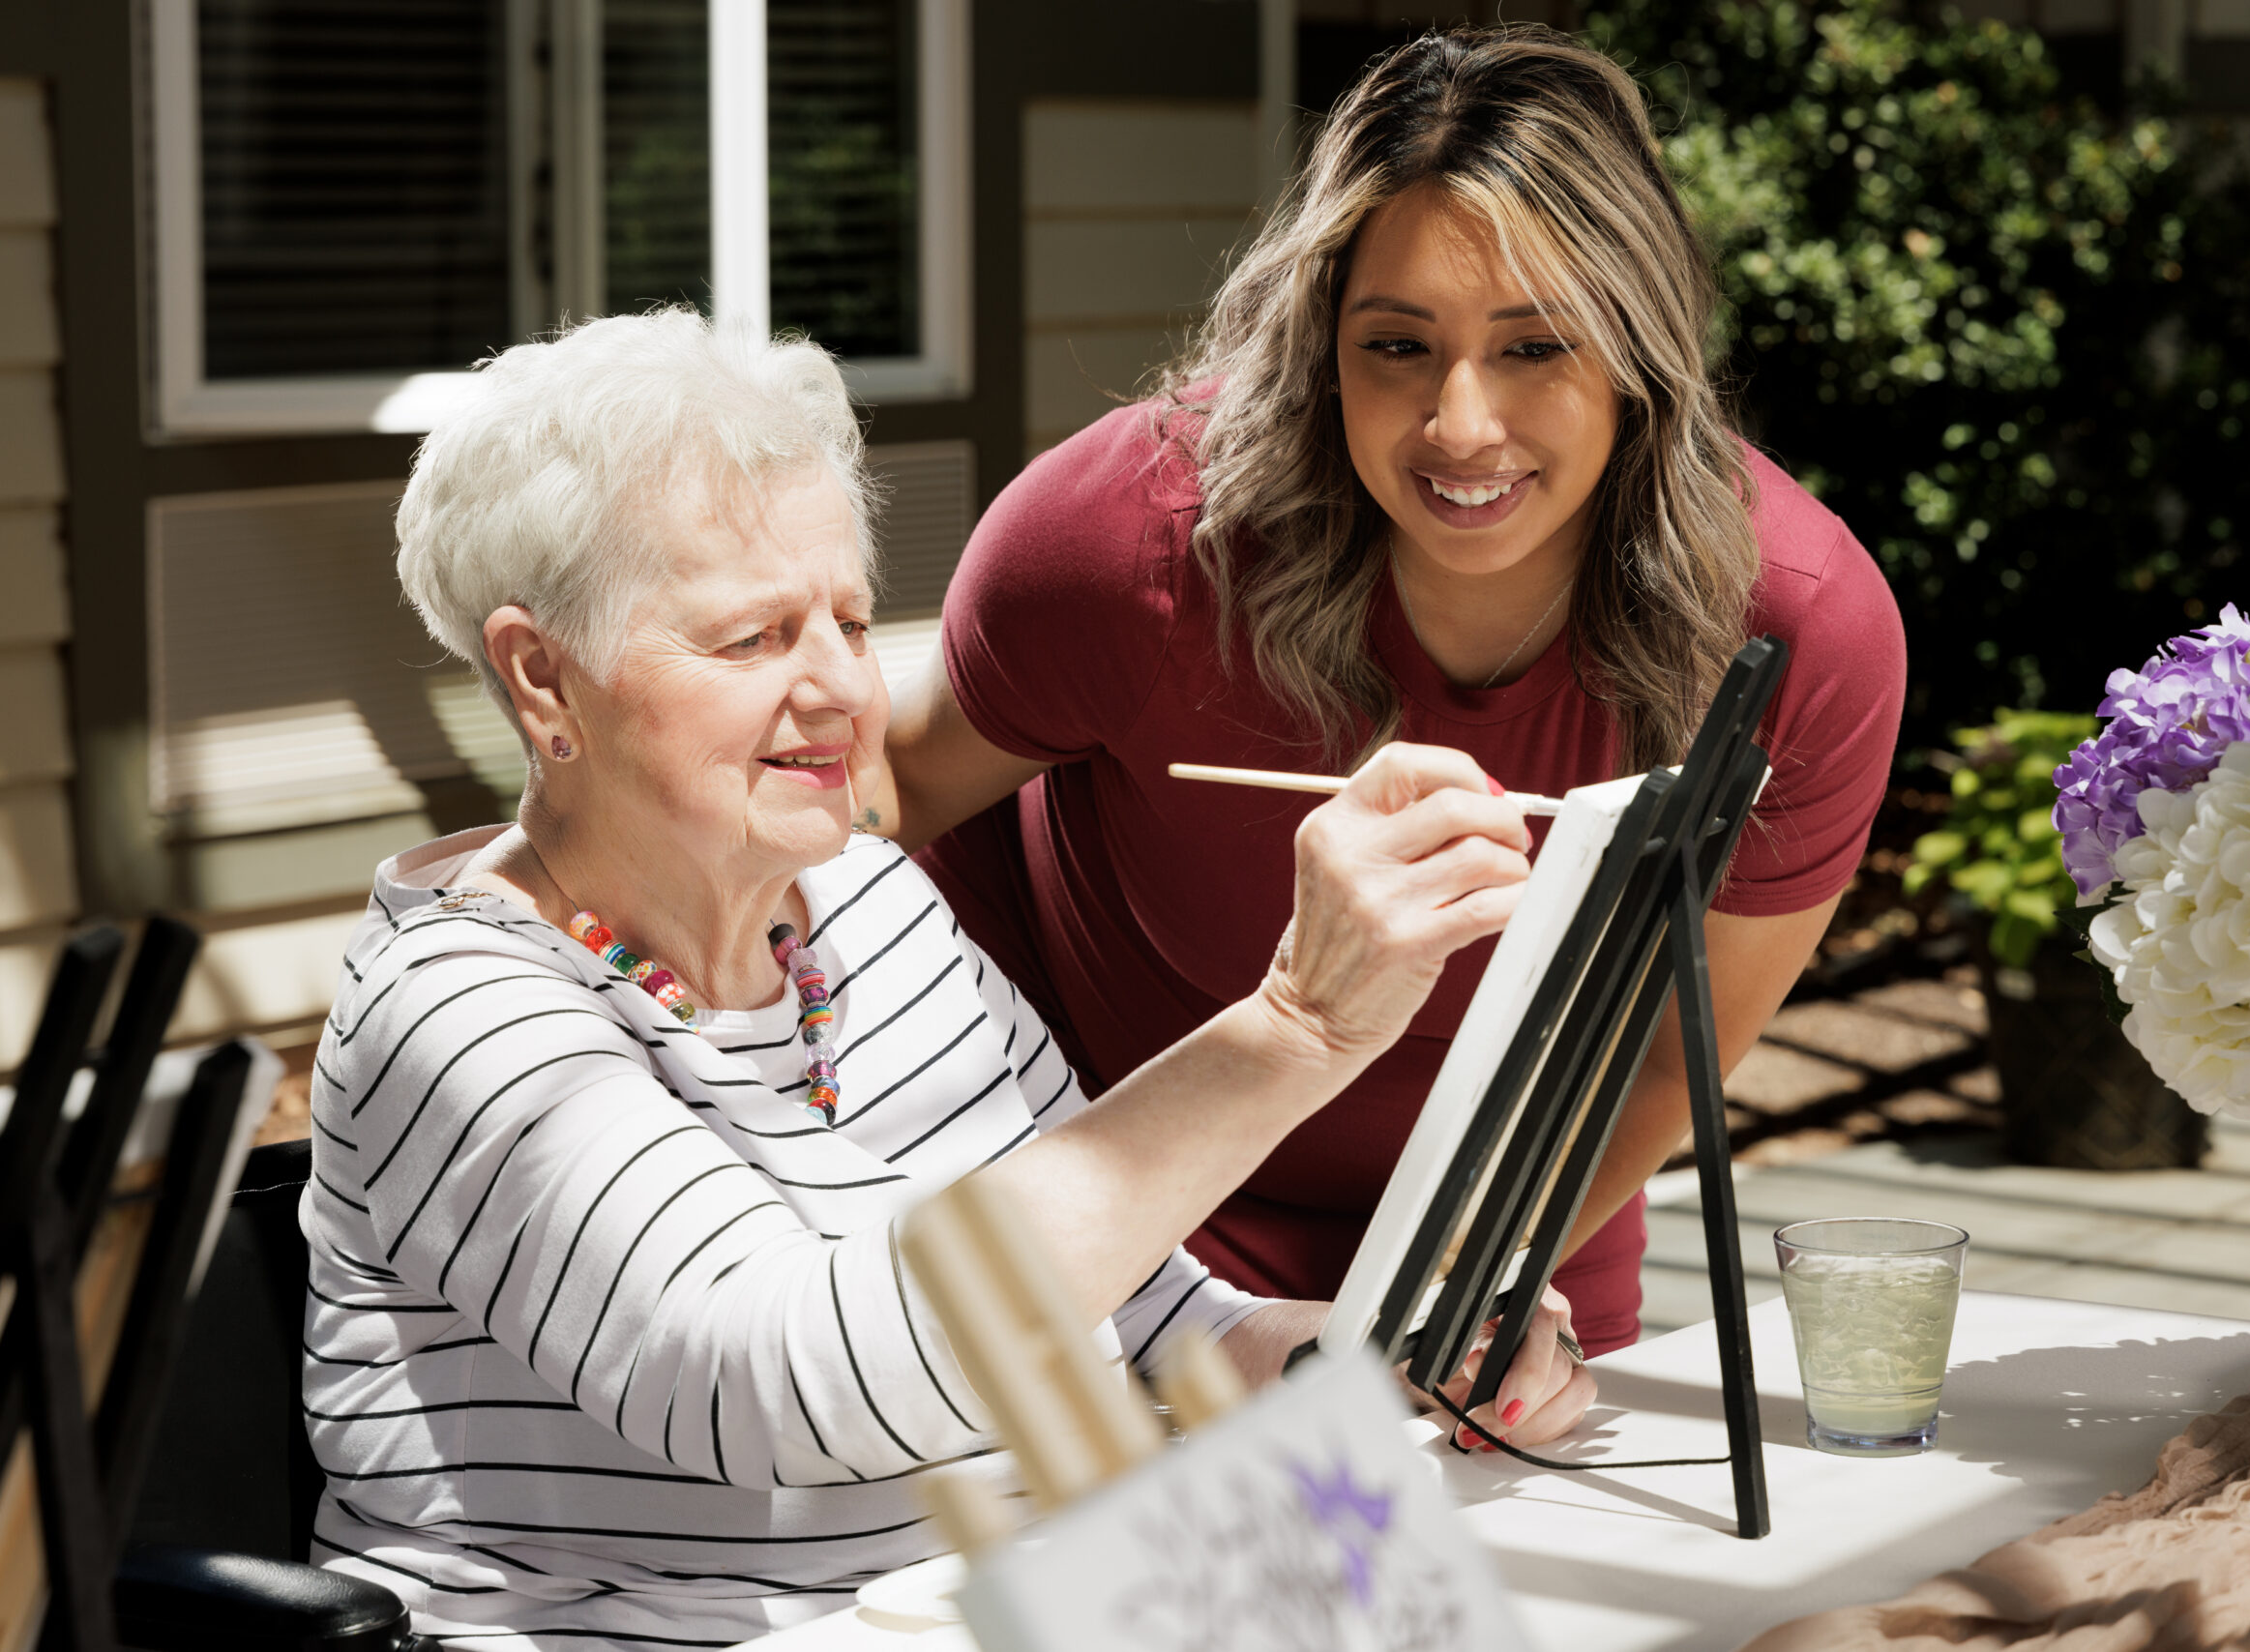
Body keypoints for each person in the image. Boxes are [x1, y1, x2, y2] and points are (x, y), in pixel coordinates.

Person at [306, 310, 1589, 1652]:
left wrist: (1382, 1354)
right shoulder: (459, 1012)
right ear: (540, 677)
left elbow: (1147, 1314)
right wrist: (1295, 1031)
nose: (840, 694)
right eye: (751, 641)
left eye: (850, 622)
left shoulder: (867, 900)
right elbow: (798, 1388)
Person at [880, 26, 1906, 1357]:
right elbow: (879, 809)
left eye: (1536, 347)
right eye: (1398, 346)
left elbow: (1666, 1057)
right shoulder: (1124, 542)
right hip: (1108, 1246)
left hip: (1510, 1241)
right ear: (1321, 345)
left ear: (1641, 353)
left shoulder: (1801, 632)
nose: (1460, 426)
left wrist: (1462, 1297)